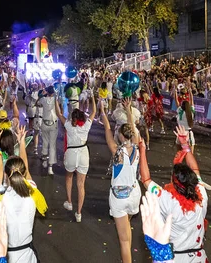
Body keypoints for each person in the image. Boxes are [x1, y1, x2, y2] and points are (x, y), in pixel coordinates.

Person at [139, 125, 208, 262]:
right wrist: (185, 145)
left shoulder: (167, 199)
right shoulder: (201, 194)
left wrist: (142, 151)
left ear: (174, 182)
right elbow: (195, 169)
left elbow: (146, 180)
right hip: (198, 258)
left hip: (176, 258)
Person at [0, 125, 47, 263]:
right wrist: (21, 142)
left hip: (3, 256)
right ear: (24, 174)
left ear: (5, 175)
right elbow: (25, 167)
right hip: (28, 257)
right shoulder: (32, 192)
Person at [99, 100, 140, 263]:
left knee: (123, 240)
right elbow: (132, 127)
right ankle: (126, 258)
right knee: (127, 227)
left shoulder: (116, 151)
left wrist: (103, 110)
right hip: (134, 194)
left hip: (119, 197)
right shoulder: (136, 146)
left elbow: (107, 128)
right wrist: (129, 110)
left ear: (121, 136)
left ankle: (126, 259)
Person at [58, 93, 97, 222]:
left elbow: (59, 114)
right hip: (83, 154)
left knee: (69, 177)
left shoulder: (68, 125)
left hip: (71, 154)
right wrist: (92, 98)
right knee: (81, 184)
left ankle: (69, 202)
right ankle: (79, 213)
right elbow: (94, 111)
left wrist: (55, 101)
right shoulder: (86, 126)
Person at [38, 86, 58, 176]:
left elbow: (37, 103)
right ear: (53, 92)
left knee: (45, 143)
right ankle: (50, 167)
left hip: (44, 123)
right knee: (52, 145)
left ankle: (45, 161)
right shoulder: (56, 99)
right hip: (53, 124)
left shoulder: (43, 99)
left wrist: (42, 95)